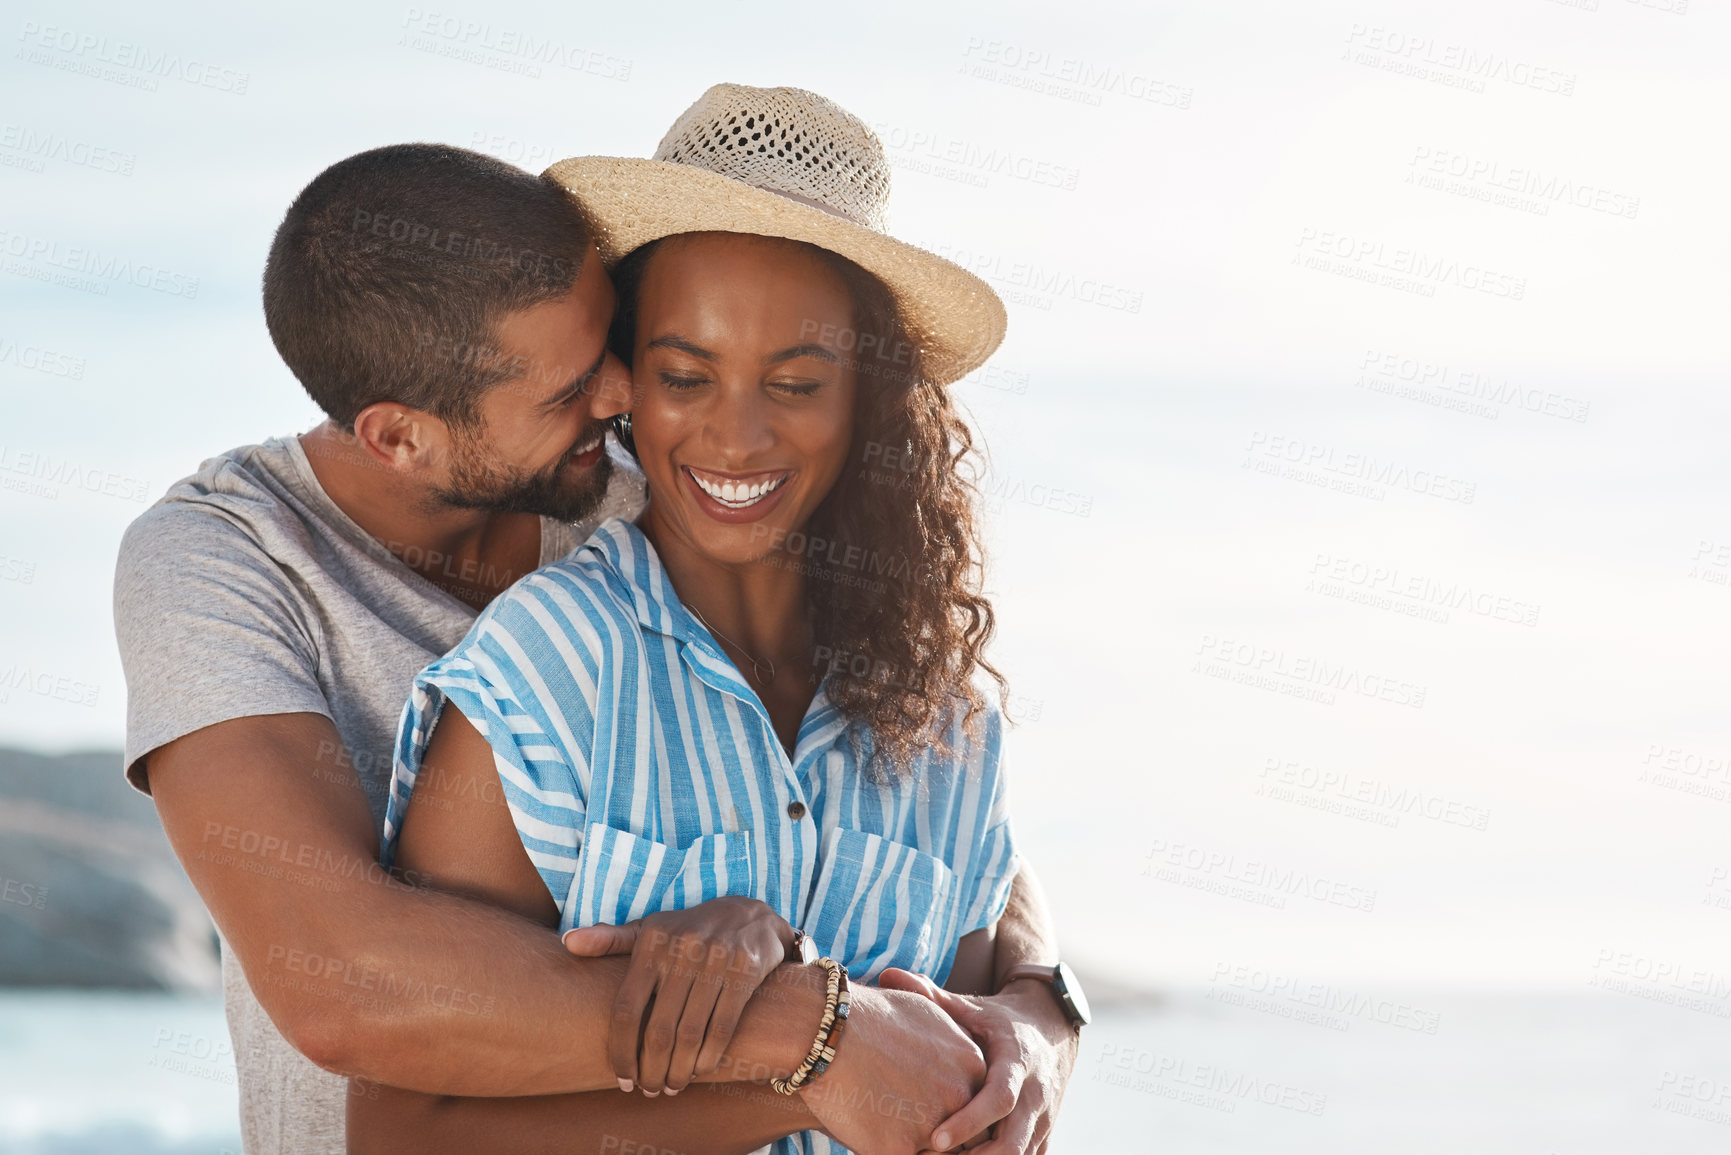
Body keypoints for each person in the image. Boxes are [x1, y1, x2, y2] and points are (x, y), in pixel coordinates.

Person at [112, 130, 1078, 1155]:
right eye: (574, 389)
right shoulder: (225, 561)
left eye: (617, 353)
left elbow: (948, 834)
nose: (619, 401)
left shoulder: (659, 483)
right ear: (401, 436)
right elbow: (338, 983)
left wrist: (1040, 1011)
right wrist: (806, 1028)